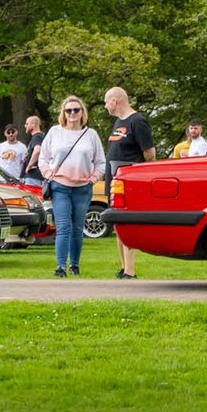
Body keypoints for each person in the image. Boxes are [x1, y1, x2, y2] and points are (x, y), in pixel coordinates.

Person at [38, 96, 106, 278]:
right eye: (69, 110)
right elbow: (42, 158)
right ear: (64, 113)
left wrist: (93, 178)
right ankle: (60, 267)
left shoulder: (91, 134)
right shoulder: (54, 132)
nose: (73, 113)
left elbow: (101, 162)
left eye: (76, 110)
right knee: (63, 226)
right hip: (60, 185)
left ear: (82, 112)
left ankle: (74, 265)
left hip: (83, 187)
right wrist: (47, 173)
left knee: (77, 227)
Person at [103, 87, 154, 279]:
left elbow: (149, 154)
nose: (105, 105)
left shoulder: (137, 122)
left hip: (129, 181)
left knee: (127, 223)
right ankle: (124, 268)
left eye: (106, 101)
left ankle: (130, 270)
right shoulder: (118, 122)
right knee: (117, 224)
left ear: (115, 101)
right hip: (114, 179)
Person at [20, 115, 46, 185]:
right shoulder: (39, 137)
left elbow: (37, 150)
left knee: (31, 195)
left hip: (33, 176)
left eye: (27, 124)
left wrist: (29, 166)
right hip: (35, 176)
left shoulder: (37, 136)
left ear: (33, 124)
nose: (25, 126)